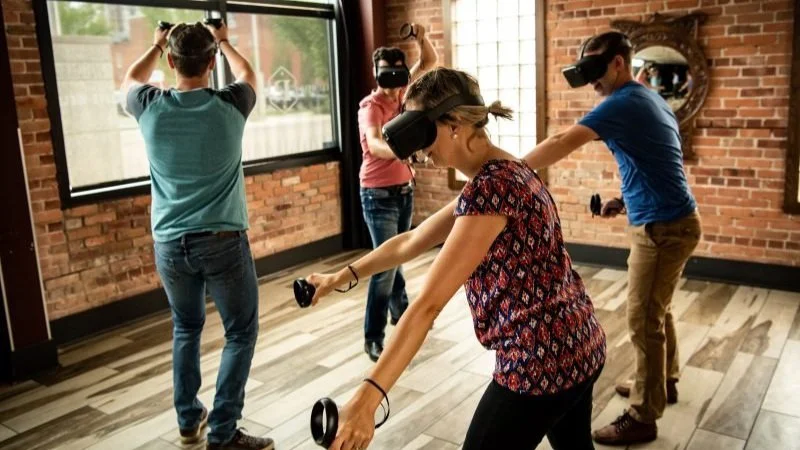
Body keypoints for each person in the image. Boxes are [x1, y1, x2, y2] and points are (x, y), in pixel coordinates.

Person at [306, 67, 607, 450]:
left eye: (422, 130)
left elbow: (428, 306)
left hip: (539, 361)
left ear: (453, 125)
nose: (419, 149)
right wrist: (340, 275)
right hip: (580, 342)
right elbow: (412, 240)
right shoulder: (508, 172)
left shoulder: (490, 189)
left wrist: (366, 401)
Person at [522, 31, 701, 445]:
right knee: (659, 309)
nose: (591, 81)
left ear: (619, 62)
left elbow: (561, 141)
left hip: (662, 229)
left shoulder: (621, 102)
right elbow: (658, 162)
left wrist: (509, 172)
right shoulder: (649, 97)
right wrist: (624, 199)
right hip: (671, 219)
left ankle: (643, 415)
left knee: (642, 318)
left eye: (595, 69)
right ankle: (661, 382)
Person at [122, 21, 273, 450]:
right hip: (223, 241)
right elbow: (250, 75)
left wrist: (154, 43)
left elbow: (130, 78)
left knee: (185, 328)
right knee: (240, 334)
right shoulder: (230, 105)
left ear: (171, 62)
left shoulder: (148, 105)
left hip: (170, 244)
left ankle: (189, 420)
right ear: (211, 63)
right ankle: (223, 434)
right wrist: (224, 40)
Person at [356, 23, 438, 362]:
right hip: (378, 195)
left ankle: (400, 310)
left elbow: (430, 61)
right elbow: (375, 145)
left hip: (404, 190)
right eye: (387, 79)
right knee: (385, 265)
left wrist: (421, 37)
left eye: (398, 79)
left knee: (398, 255)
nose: (393, 87)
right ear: (377, 75)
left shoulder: (404, 95)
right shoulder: (370, 106)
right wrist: (406, 152)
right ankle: (373, 336)